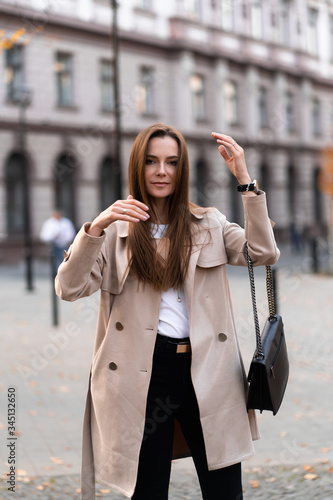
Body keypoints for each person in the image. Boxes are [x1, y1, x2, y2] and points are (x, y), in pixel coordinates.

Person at [55, 123, 279, 500]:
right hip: (141, 376)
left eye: (172, 162)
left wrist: (244, 179)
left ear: (182, 169)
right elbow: (69, 288)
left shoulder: (208, 222)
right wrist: (95, 228)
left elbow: (263, 252)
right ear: (137, 168)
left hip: (208, 370)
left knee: (225, 491)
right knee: (148, 490)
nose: (162, 171)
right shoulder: (114, 232)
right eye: (152, 161)